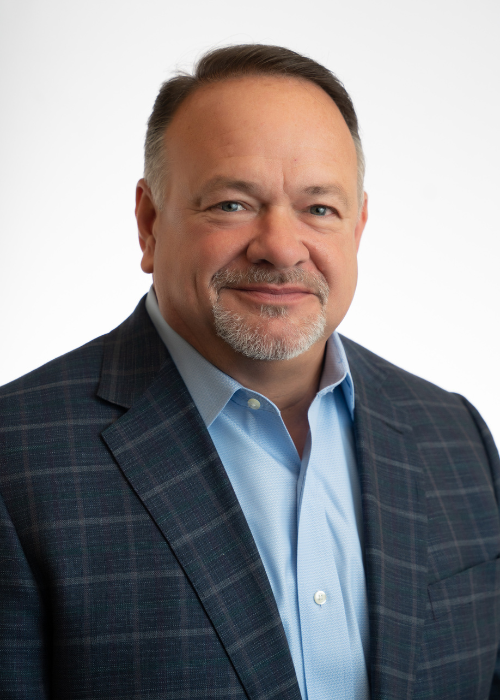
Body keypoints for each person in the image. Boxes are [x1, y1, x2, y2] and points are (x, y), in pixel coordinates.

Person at [0, 44, 499, 700]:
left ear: (359, 227)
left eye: (319, 208)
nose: (281, 247)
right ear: (149, 224)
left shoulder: (455, 435)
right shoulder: (18, 457)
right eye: (233, 204)